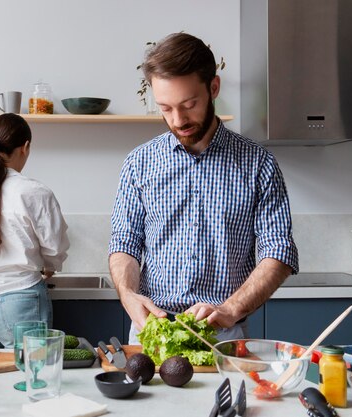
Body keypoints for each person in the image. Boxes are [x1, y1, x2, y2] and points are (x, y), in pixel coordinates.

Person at [109, 33, 299, 343]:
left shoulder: (258, 164)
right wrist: (129, 295)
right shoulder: (139, 163)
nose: (178, 119)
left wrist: (230, 309)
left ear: (213, 88)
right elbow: (125, 242)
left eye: (189, 104)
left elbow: (277, 250)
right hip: (151, 329)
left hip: (224, 331)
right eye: (166, 108)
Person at [0, 113, 69, 348]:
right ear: (25, 147)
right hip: (22, 304)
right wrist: (50, 267)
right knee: (31, 377)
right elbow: (55, 247)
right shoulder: (34, 192)